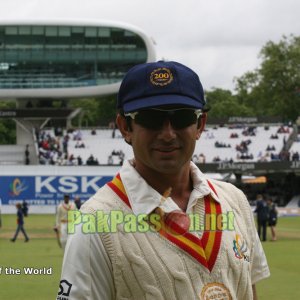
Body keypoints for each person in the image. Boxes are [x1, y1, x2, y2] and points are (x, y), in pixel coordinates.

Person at [57, 61, 270, 299]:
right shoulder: (93, 224)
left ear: (200, 124)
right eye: (150, 119)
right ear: (125, 127)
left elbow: (248, 291)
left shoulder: (234, 200)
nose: (168, 134)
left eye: (181, 118)